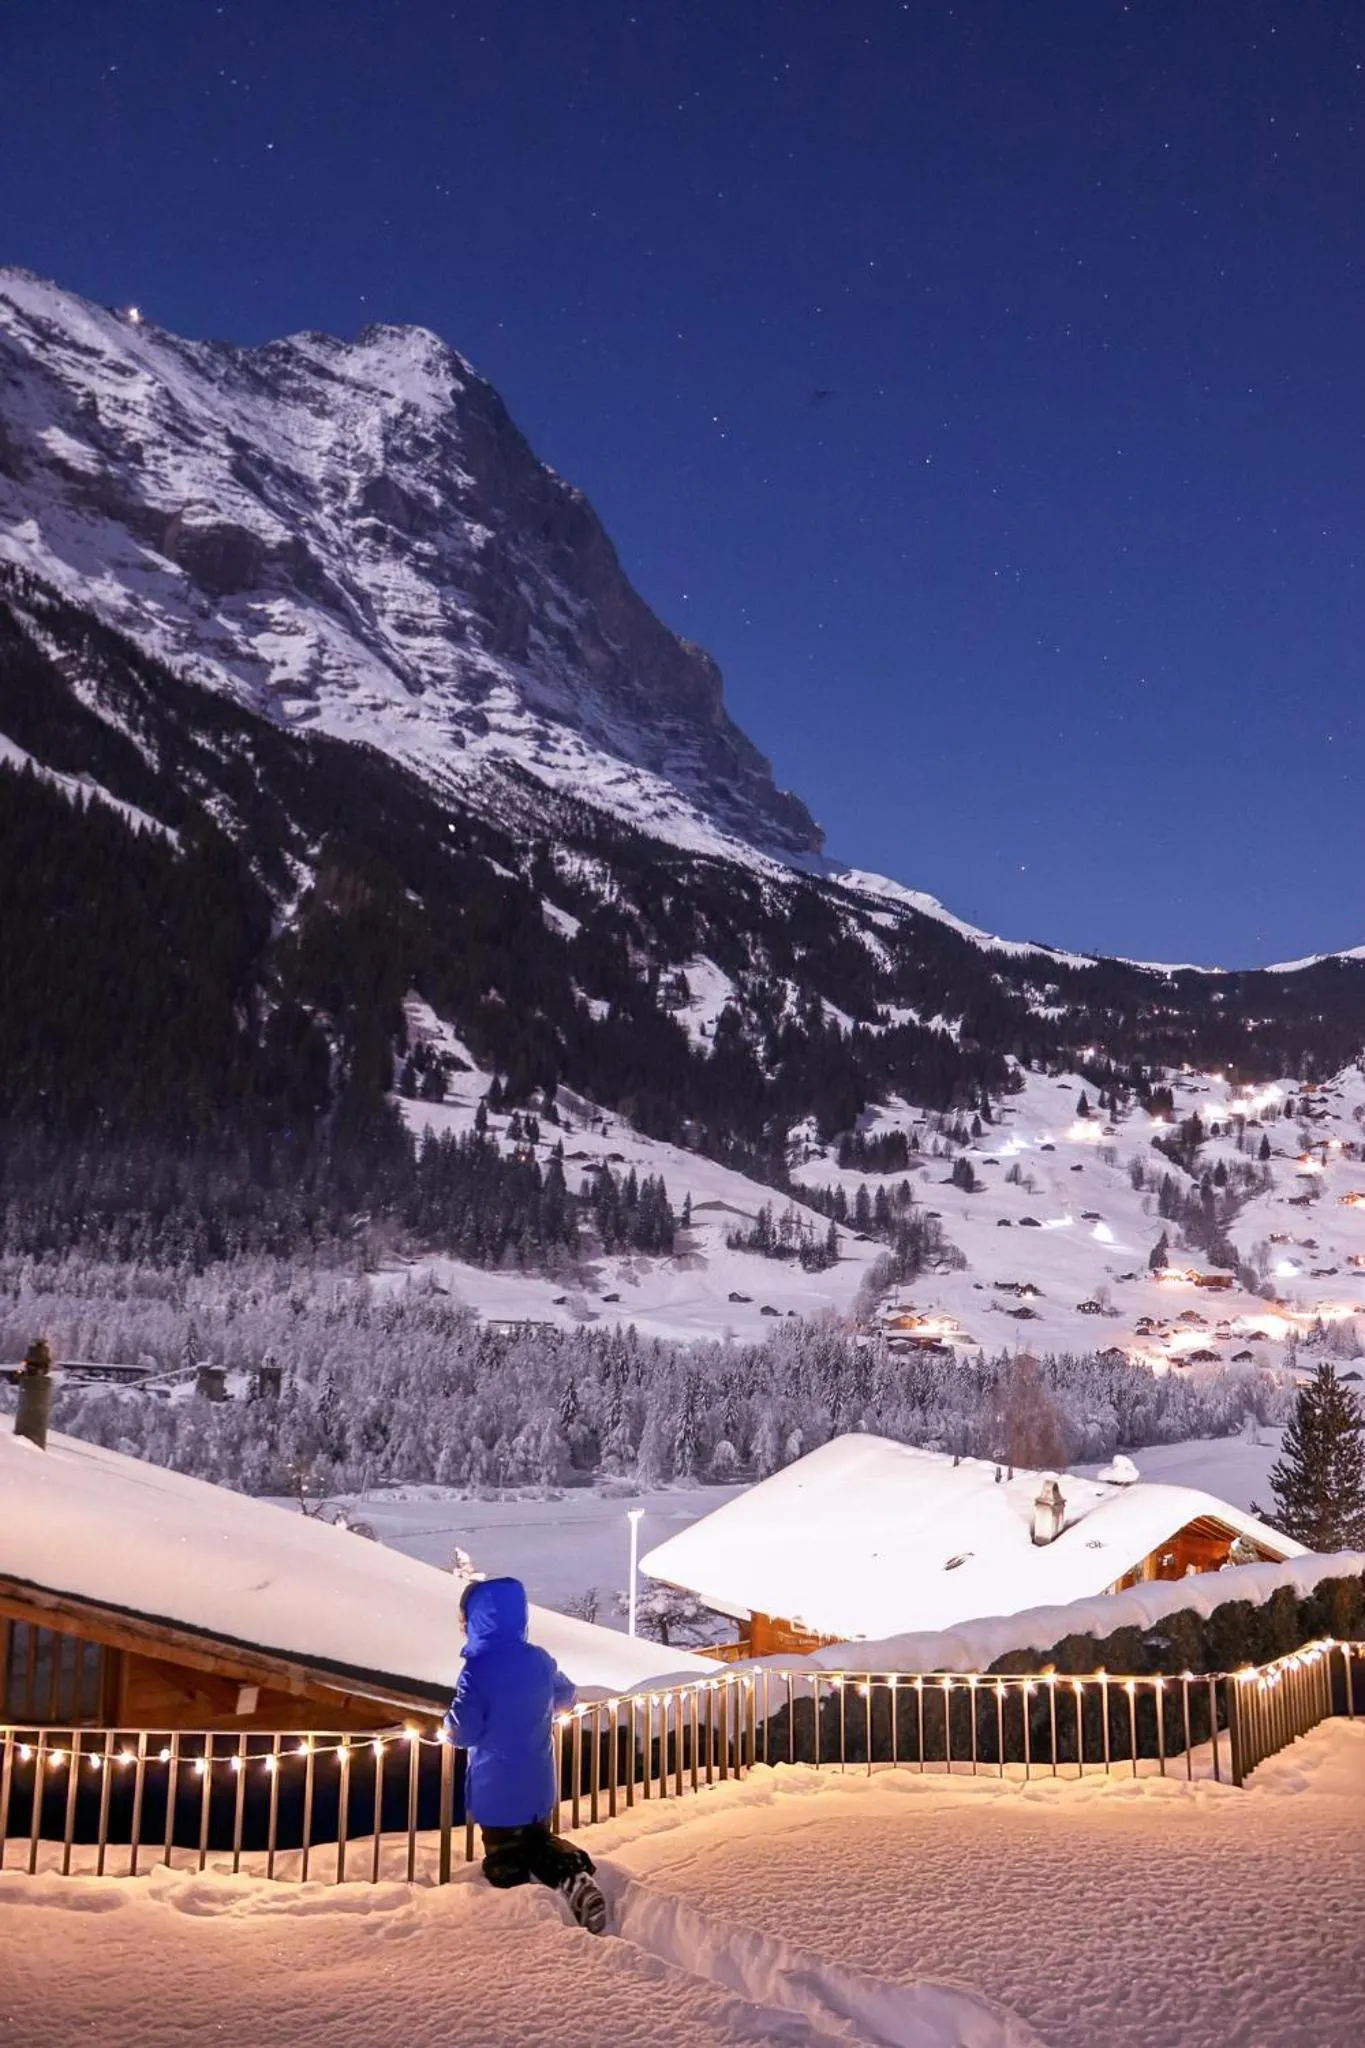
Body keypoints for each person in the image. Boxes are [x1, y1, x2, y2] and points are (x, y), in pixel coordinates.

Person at [444, 1576, 607, 1934]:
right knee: (537, 1841)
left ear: (474, 1621)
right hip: (537, 1783)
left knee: (504, 1858)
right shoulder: (538, 1660)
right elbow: (566, 1696)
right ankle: (572, 1875)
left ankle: (528, 1917)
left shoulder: (477, 1670)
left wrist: (447, 1725)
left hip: (496, 1789)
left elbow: (463, 1730)